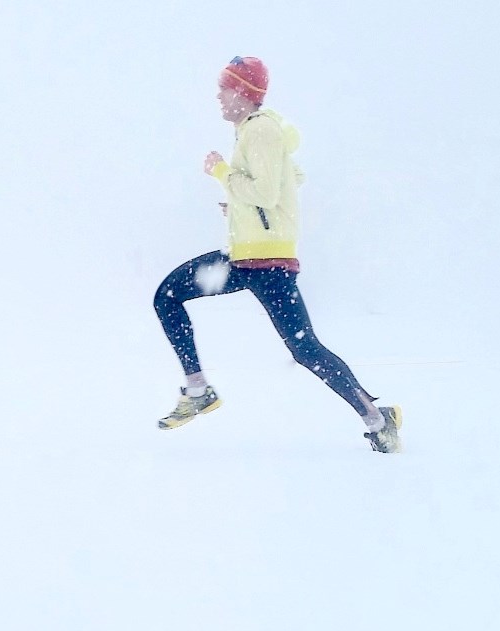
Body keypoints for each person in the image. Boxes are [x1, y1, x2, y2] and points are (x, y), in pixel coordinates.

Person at [152, 56, 402, 453]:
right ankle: (197, 389)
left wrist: (222, 173)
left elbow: (266, 193)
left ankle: (377, 418)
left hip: (266, 263)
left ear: (243, 93)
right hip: (246, 258)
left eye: (224, 89)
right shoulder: (254, 131)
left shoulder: (261, 130)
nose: (218, 97)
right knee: (168, 296)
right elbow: (287, 181)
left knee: (305, 349)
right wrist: (240, 206)